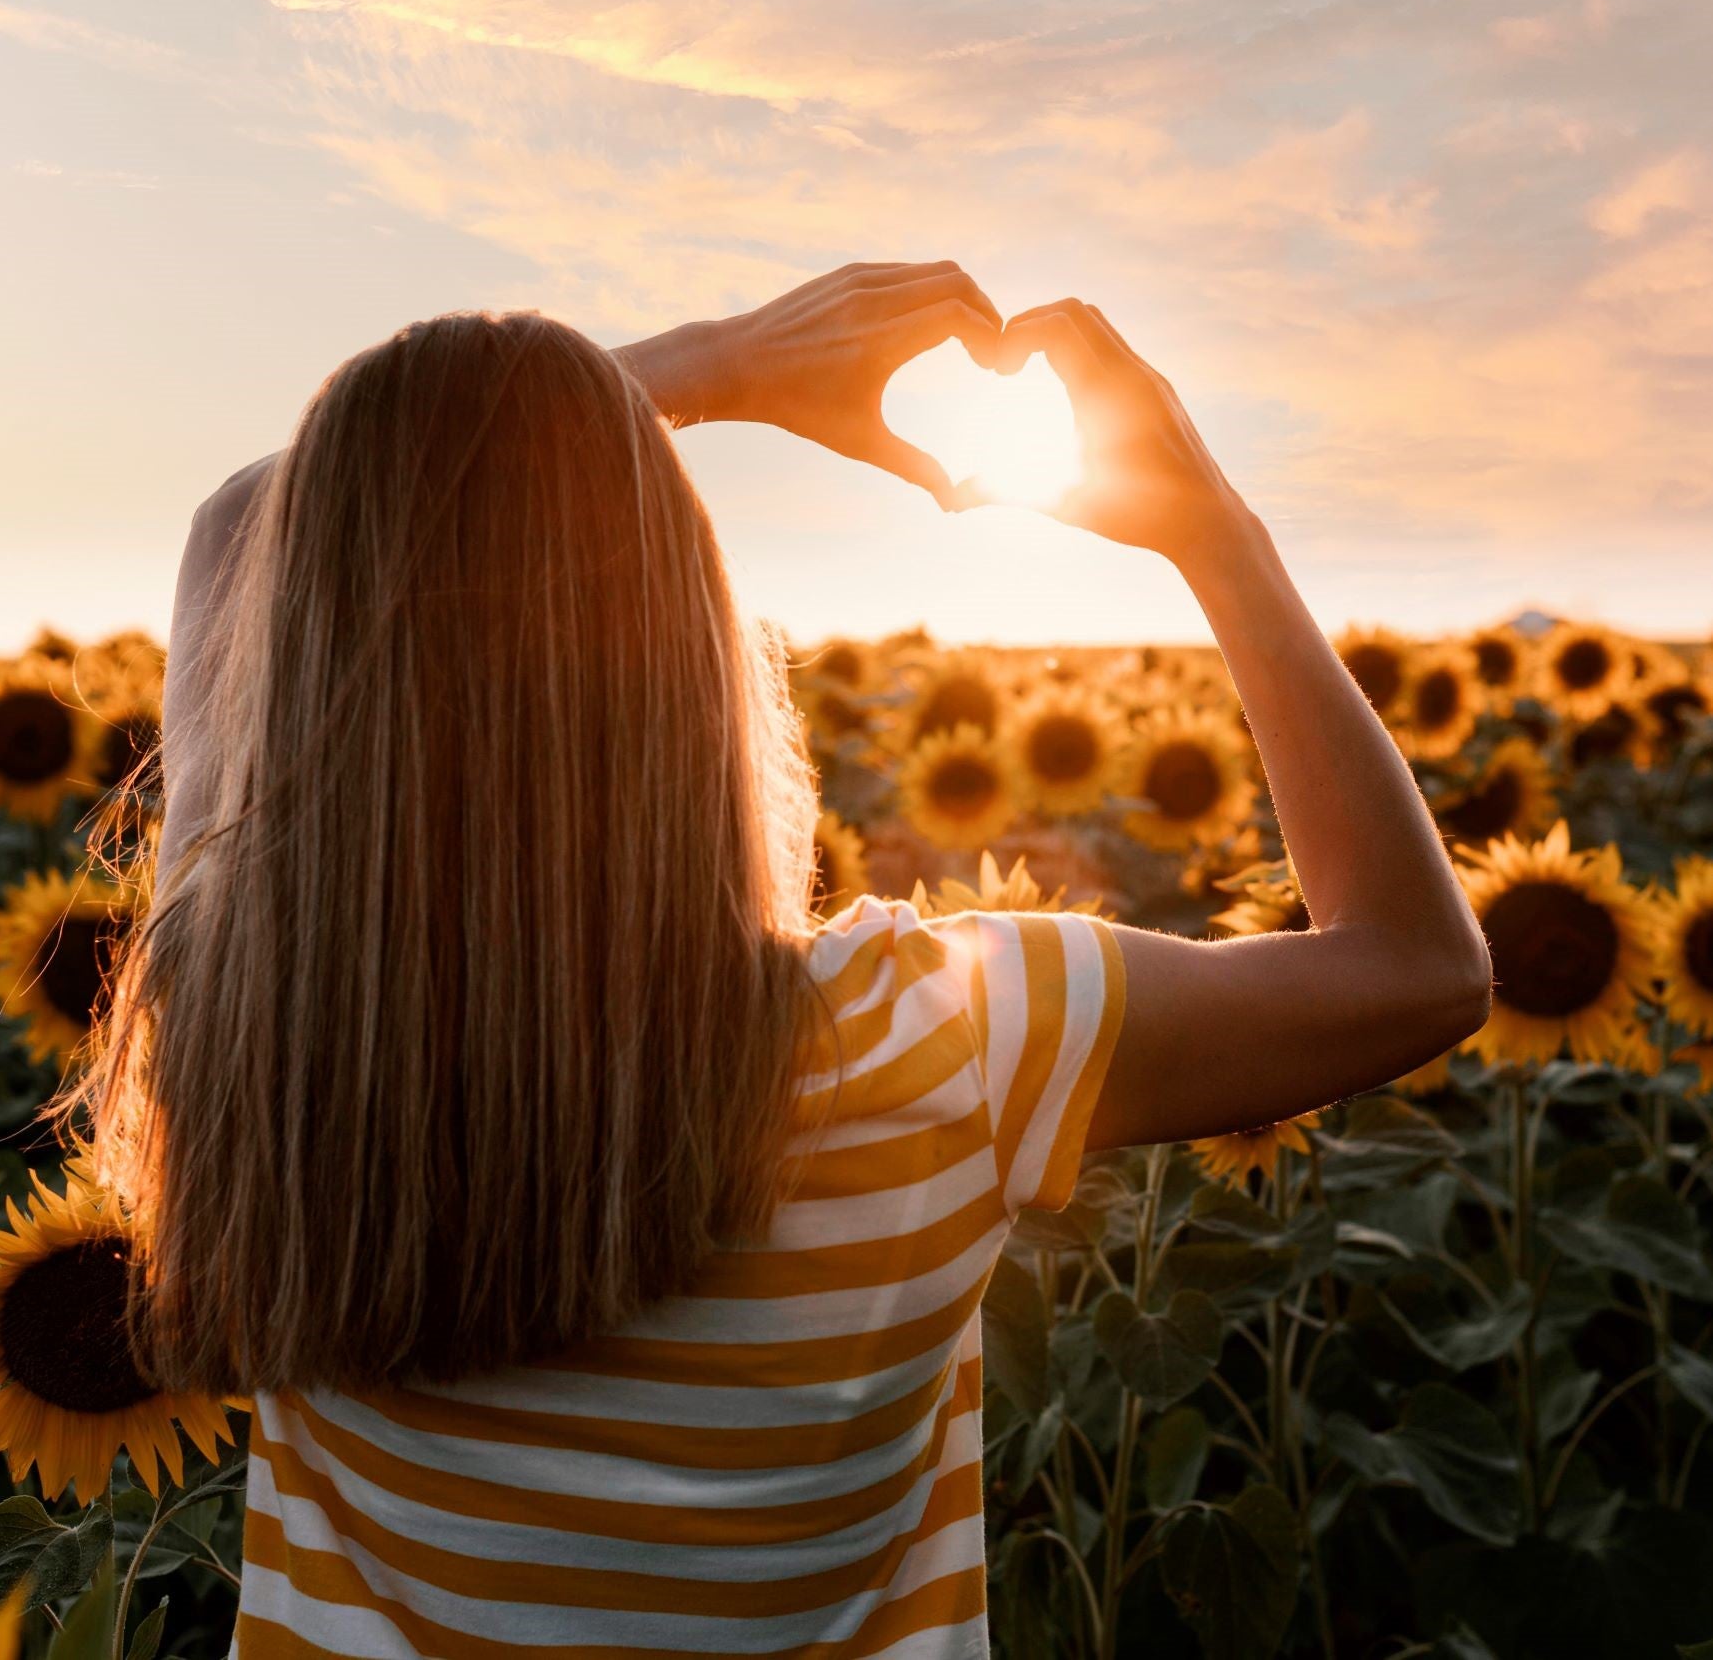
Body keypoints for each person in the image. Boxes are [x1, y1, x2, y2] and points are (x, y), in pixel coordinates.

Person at [87, 263, 1493, 1657]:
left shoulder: (238, 1023)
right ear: (692, 650)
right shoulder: (929, 1047)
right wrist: (1216, 536)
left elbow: (237, 525)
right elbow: (1413, 967)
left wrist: (707, 367)